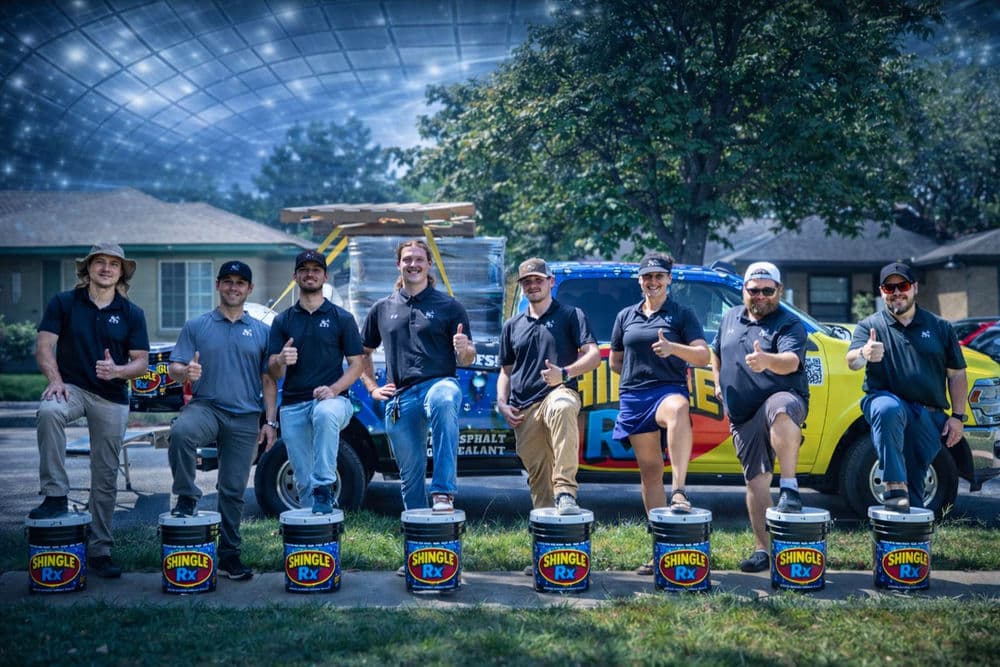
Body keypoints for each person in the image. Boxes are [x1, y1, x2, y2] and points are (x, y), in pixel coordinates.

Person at [31, 243, 150, 579]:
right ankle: (55, 495)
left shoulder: (131, 313)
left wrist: (119, 371)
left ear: (121, 272)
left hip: (111, 396)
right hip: (73, 388)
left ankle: (100, 549)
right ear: (88, 268)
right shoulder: (64, 303)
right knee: (49, 411)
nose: (106, 268)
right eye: (100, 262)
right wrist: (55, 379)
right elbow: (43, 346)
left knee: (106, 474)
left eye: (114, 264)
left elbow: (141, 362)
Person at [167, 260, 277, 581]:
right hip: (207, 407)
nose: (233, 287)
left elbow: (269, 380)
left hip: (245, 417)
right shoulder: (197, 326)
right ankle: (187, 497)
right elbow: (174, 368)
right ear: (218, 285)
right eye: (227, 281)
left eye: (240, 282)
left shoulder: (262, 331)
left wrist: (270, 422)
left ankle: (230, 554)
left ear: (250, 289)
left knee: (232, 490)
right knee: (181, 432)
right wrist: (185, 373)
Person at [609, 252, 710, 576]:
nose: (652, 282)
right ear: (639, 281)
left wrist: (673, 350)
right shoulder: (625, 315)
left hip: (667, 390)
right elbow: (615, 360)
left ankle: (679, 491)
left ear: (669, 280)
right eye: (646, 277)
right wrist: (634, 375)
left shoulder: (681, 314)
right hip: (634, 396)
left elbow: (702, 353)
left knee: (679, 408)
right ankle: (659, 550)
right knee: (650, 473)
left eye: (658, 277)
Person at [359, 239, 476, 513]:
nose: (413, 264)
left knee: (445, 399)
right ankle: (417, 532)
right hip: (400, 398)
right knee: (410, 477)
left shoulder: (449, 306)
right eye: (407, 259)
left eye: (419, 259)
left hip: (439, 384)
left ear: (429, 265)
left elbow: (468, 356)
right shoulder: (382, 308)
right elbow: (361, 352)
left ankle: (443, 493)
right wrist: (372, 388)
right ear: (398, 264)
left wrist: (465, 348)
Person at [711, 261, 809, 573]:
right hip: (742, 415)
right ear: (744, 291)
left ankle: (791, 488)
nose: (761, 296)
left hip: (780, 397)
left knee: (780, 408)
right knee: (755, 483)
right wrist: (716, 382)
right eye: (754, 290)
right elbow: (715, 352)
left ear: (779, 290)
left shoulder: (788, 323)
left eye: (768, 290)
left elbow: (791, 362)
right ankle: (763, 550)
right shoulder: (729, 317)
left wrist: (767, 360)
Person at [846, 262, 967, 513]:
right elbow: (852, 362)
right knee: (888, 409)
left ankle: (908, 542)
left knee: (913, 490)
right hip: (885, 401)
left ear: (915, 288)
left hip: (928, 414)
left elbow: (956, 375)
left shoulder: (940, 327)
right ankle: (892, 483)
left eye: (902, 285)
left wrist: (957, 417)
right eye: (889, 287)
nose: (896, 292)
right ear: (881, 292)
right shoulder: (870, 327)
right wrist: (864, 352)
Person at [496, 258, 601, 517]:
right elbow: (505, 371)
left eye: (538, 280)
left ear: (550, 282)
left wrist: (564, 373)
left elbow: (594, 355)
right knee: (540, 483)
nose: (533, 285)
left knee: (563, 406)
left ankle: (566, 491)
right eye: (527, 281)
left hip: (558, 392)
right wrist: (501, 402)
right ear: (522, 287)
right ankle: (547, 544)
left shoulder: (570, 315)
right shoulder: (512, 326)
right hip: (523, 409)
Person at [267, 250, 364, 514]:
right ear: (295, 276)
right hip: (293, 406)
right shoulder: (282, 321)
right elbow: (272, 373)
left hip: (334, 402)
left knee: (324, 413)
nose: (310, 274)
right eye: (304, 269)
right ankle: (318, 530)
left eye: (316, 269)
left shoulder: (342, 319)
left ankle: (325, 486)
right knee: (302, 482)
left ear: (325, 276)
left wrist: (333, 389)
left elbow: (358, 365)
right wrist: (280, 360)